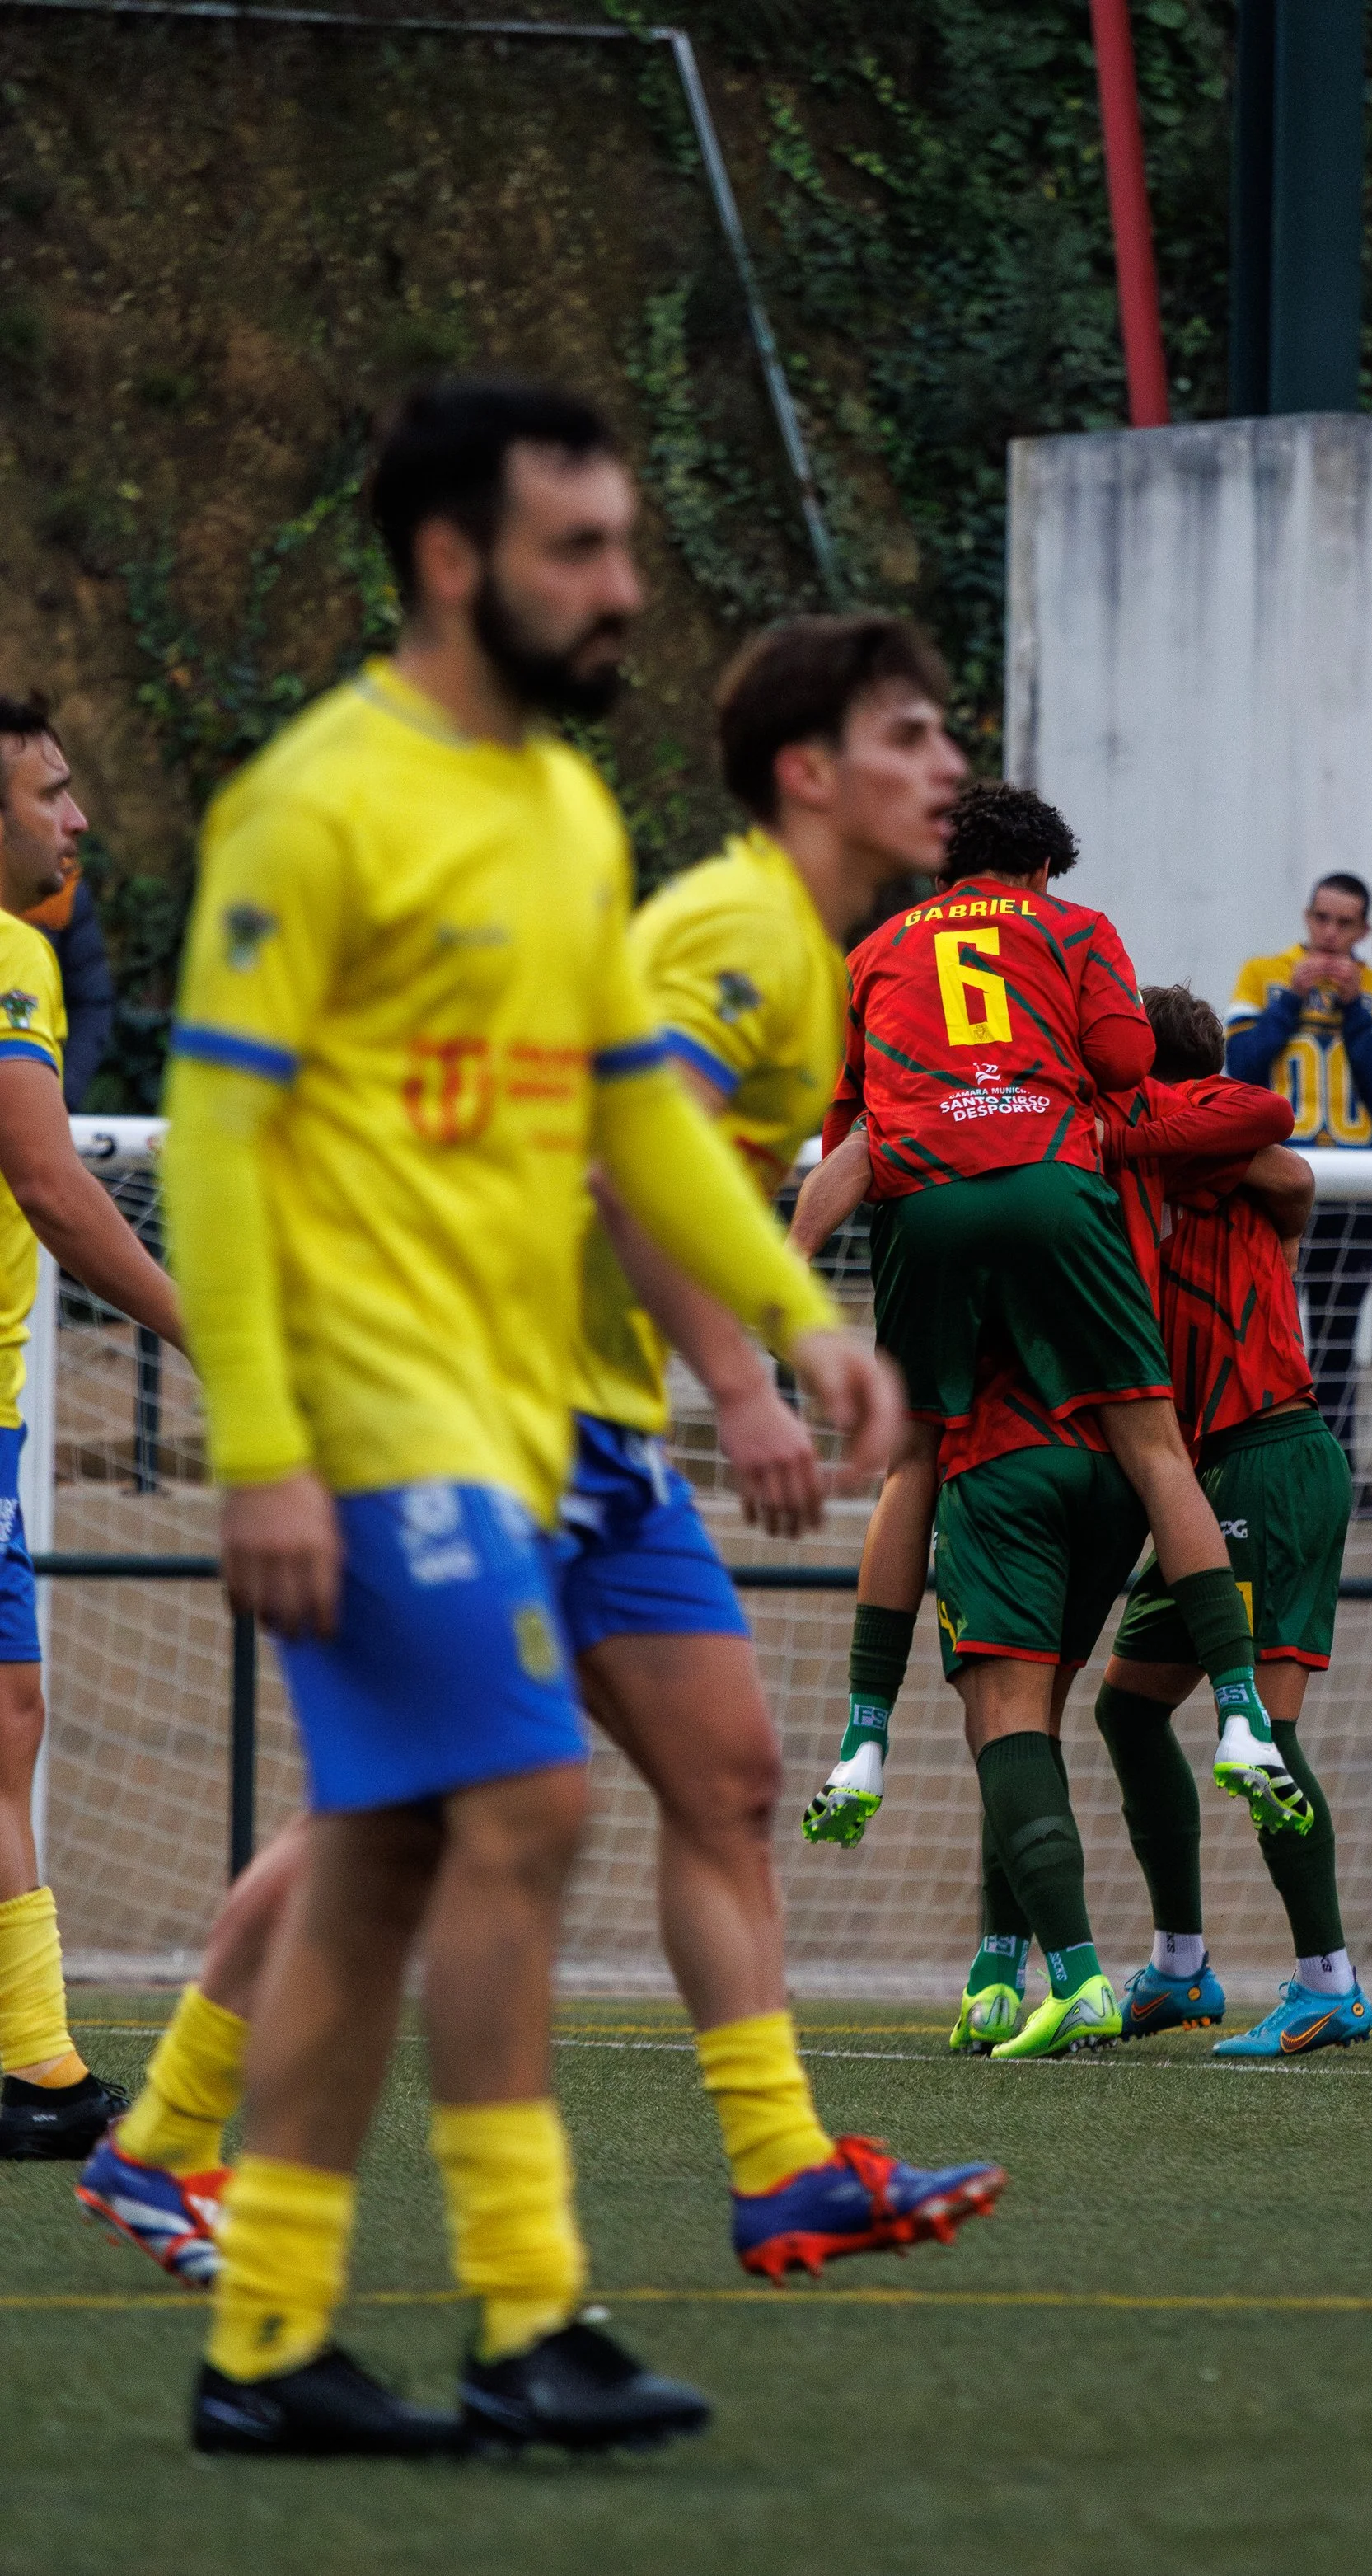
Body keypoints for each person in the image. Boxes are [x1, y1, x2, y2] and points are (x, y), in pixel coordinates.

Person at [78, 614, 1005, 2295]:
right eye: (913, 733)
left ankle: (783, 2165)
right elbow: (605, 1157)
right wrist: (747, 1368)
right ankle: (178, 2153)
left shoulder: (807, 954)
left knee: (723, 1771)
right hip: (491, 1411)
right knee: (404, 1811)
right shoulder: (727, 933)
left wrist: (767, 1338)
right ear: (810, 771)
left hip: (595, 1433)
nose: (950, 764)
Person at [156, 379, 894, 2460]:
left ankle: (270, 2340)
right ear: (453, 562)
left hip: (506, 1417)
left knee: (389, 1861)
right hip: (366, 1416)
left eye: (626, 547)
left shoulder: (567, 815)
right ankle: (527, 2310)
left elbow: (623, 1125)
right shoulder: (312, 804)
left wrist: (783, 1322)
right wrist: (266, 1446)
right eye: (580, 548)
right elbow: (214, 1145)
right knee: (537, 1809)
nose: (623, 589)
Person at [798, 784, 1305, 1887]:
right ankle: (1239, 1713)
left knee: (912, 1466)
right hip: (1052, 1199)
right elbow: (1138, 1068)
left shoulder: (875, 952)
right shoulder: (1074, 932)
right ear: (1040, 872)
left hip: (924, 1202)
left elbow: (850, 1134)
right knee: (1155, 1443)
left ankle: (861, 1733)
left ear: (947, 870)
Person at [1095, 985, 1371, 2058]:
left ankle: (1329, 1981)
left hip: (1269, 1457)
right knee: (1129, 1710)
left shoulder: (1214, 1148)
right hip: (1211, 1479)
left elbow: (1285, 1157)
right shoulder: (1138, 1165)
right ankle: (1178, 1968)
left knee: (1266, 1734)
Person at [0, 697, 189, 2160]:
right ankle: (36, 2072)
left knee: (10, 1719)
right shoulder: (13, 959)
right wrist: (208, 1336)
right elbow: (57, 1190)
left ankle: (35, 2062)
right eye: (52, 796)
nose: (75, 823)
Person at [1224, 872, 1372, 1504]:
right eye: (1321, 919)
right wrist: (1288, 1005)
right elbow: (1239, 1066)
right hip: (1275, 1181)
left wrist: (1355, 1010)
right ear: (1307, 918)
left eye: (1344, 923)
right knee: (1268, 1326)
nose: (1329, 935)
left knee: (1337, 1330)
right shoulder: (1262, 973)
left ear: (1364, 931)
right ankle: (1259, 1463)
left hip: (1354, 1185)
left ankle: (1337, 1468)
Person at [22, 859, 115, 1110]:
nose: (76, 824)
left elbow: (91, 1003)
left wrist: (61, 1095)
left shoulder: (63, 887)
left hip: (39, 1102)